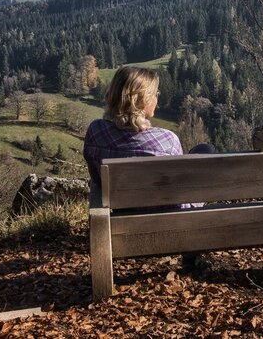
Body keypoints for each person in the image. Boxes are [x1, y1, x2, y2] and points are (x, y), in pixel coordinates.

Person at [83, 65, 210, 272]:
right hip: (171, 220)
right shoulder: (166, 140)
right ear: (142, 100)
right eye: (155, 94)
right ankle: (190, 255)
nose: (157, 99)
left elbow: (95, 177)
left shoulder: (96, 132)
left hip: (123, 217)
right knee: (204, 151)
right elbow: (180, 187)